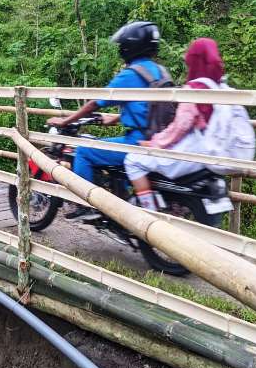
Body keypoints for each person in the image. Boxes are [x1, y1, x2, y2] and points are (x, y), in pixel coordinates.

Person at [46, 21, 168, 220]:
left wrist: (65, 121)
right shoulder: (161, 72)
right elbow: (151, 106)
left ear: (129, 47)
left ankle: (86, 205)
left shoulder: (131, 74)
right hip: (161, 139)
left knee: (84, 150)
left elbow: (95, 103)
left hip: (137, 142)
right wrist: (119, 117)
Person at [125, 38, 225, 210]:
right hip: (215, 152)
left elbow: (178, 129)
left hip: (192, 153)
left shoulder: (194, 90)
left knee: (132, 161)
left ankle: (146, 216)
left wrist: (155, 142)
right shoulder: (223, 88)